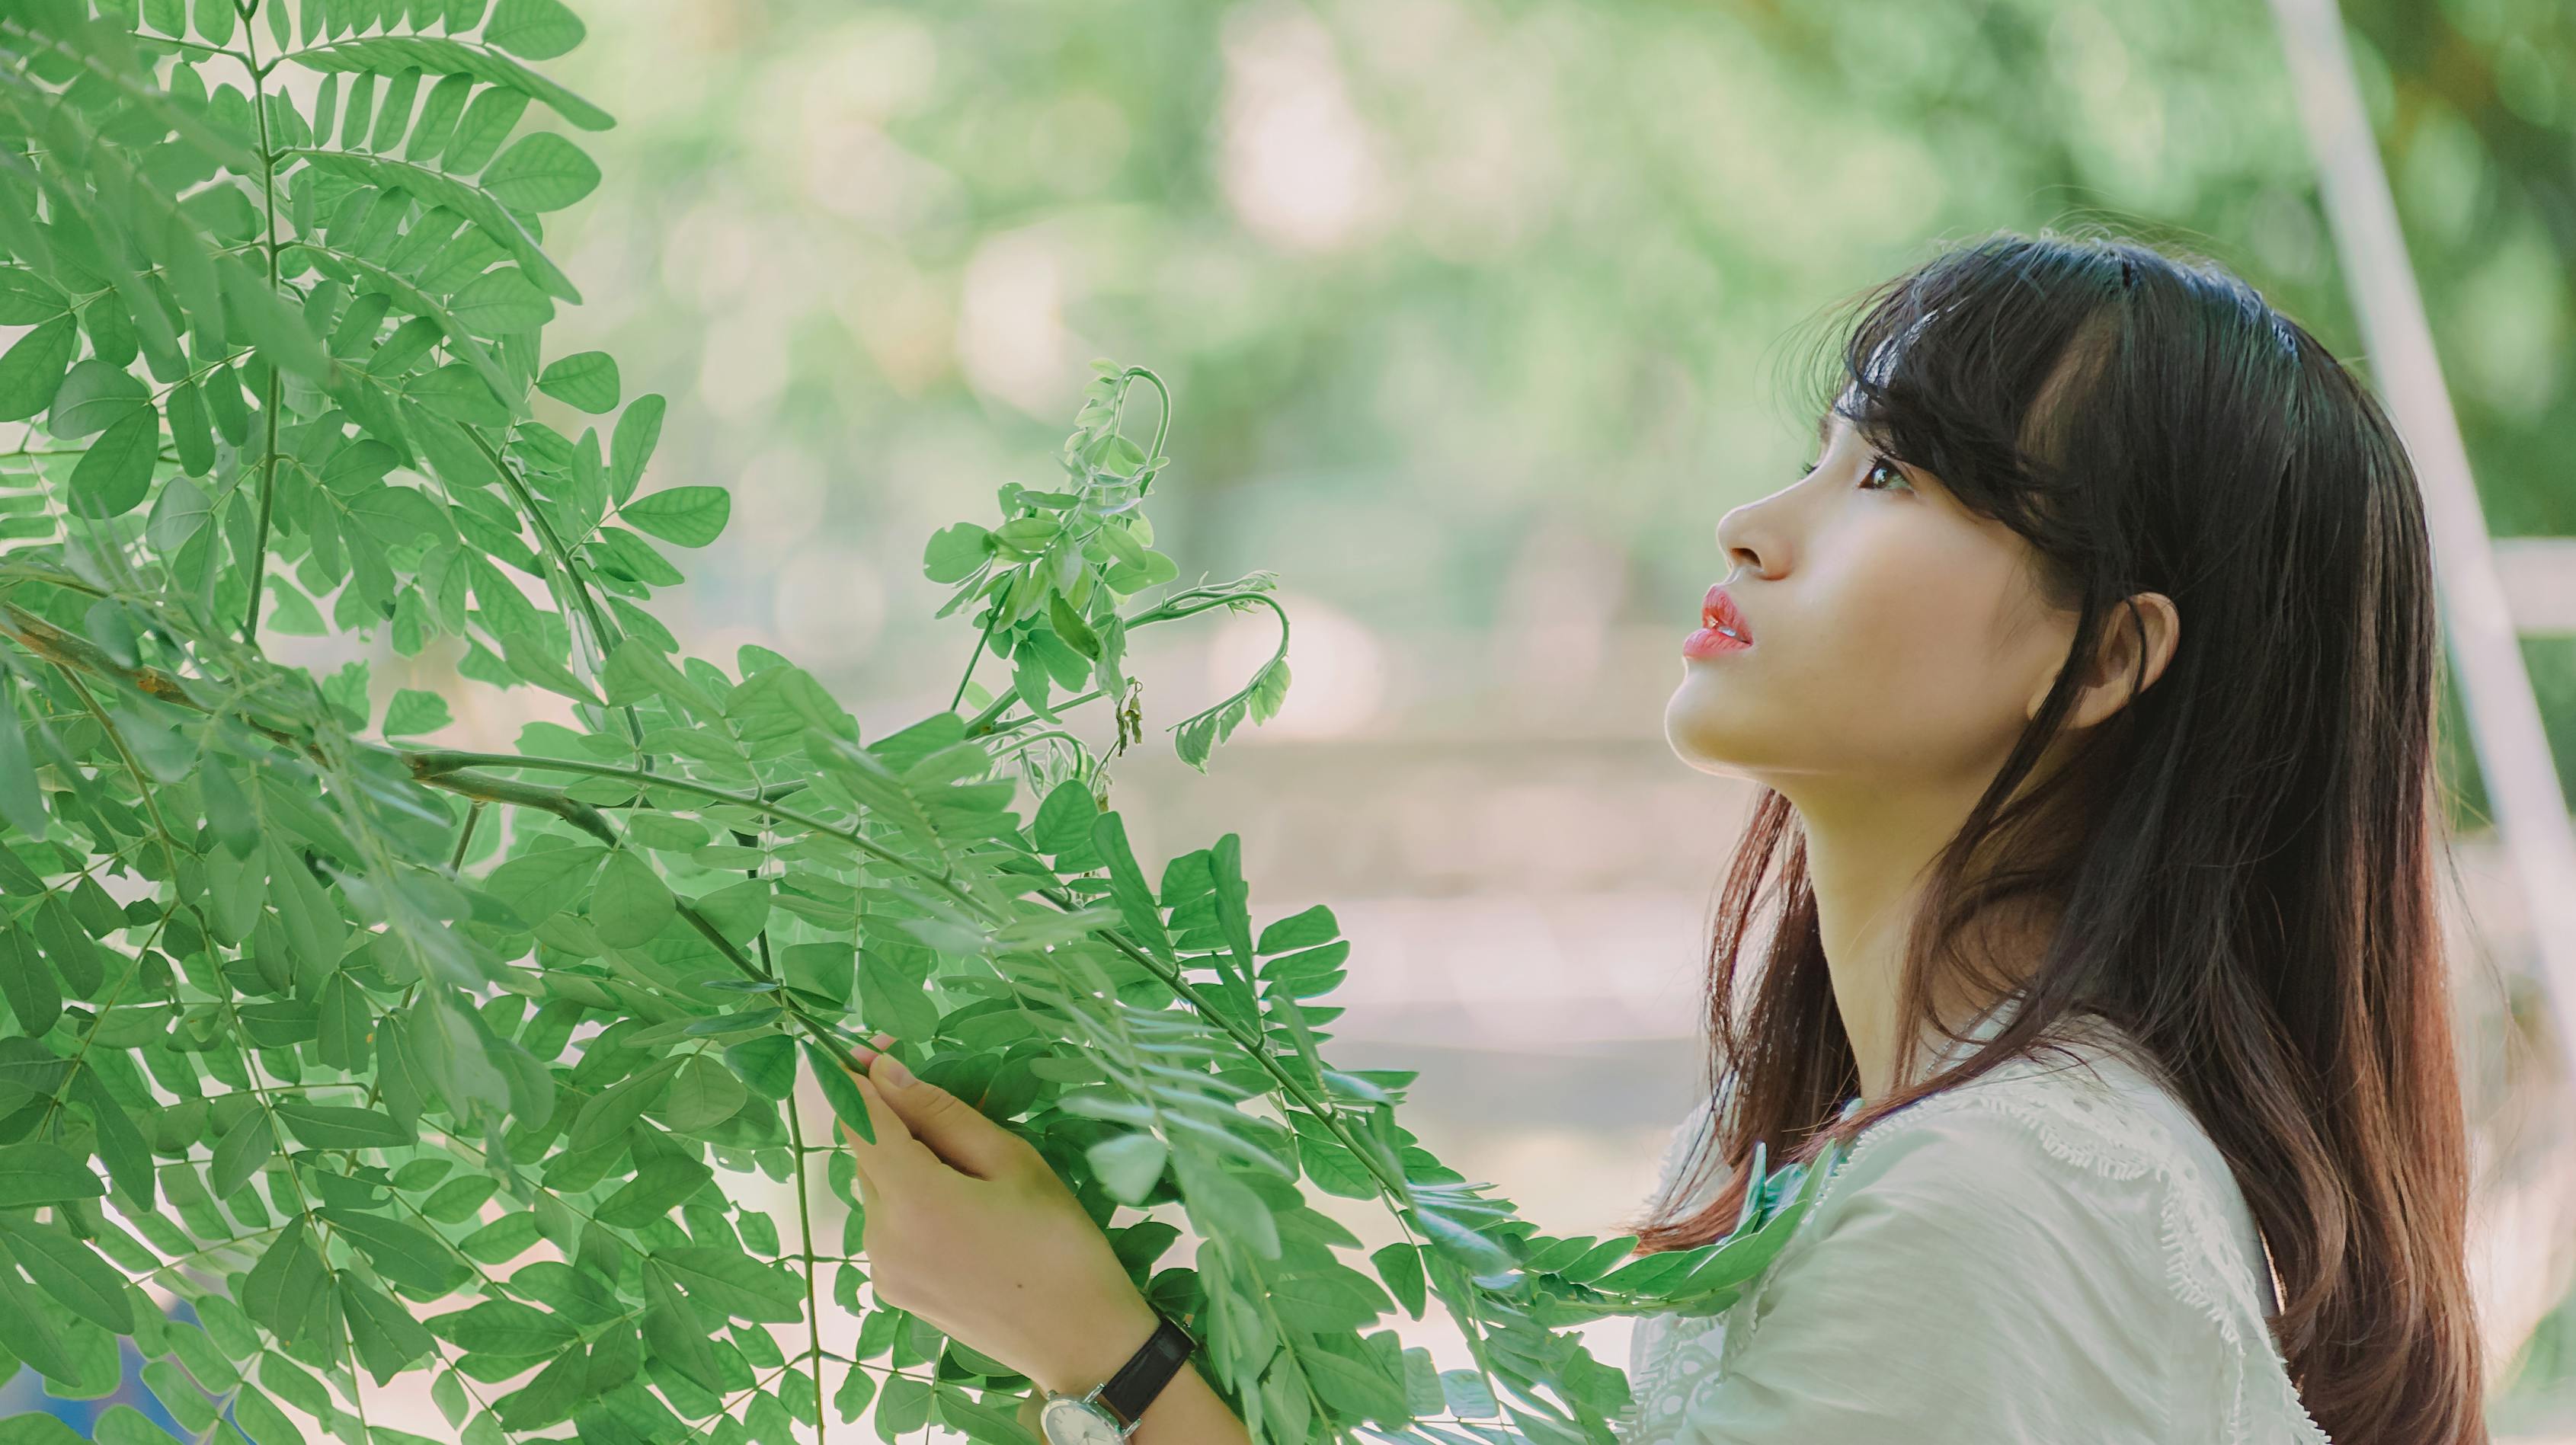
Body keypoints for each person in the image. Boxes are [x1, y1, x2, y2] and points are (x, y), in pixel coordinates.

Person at [829, 231, 2488, 1445]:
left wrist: (1103, 1360)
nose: (1752, 528)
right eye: (1818, 456)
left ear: (2106, 658)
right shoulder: (1818, 1141)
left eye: (1893, 477)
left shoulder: (1987, 1198)